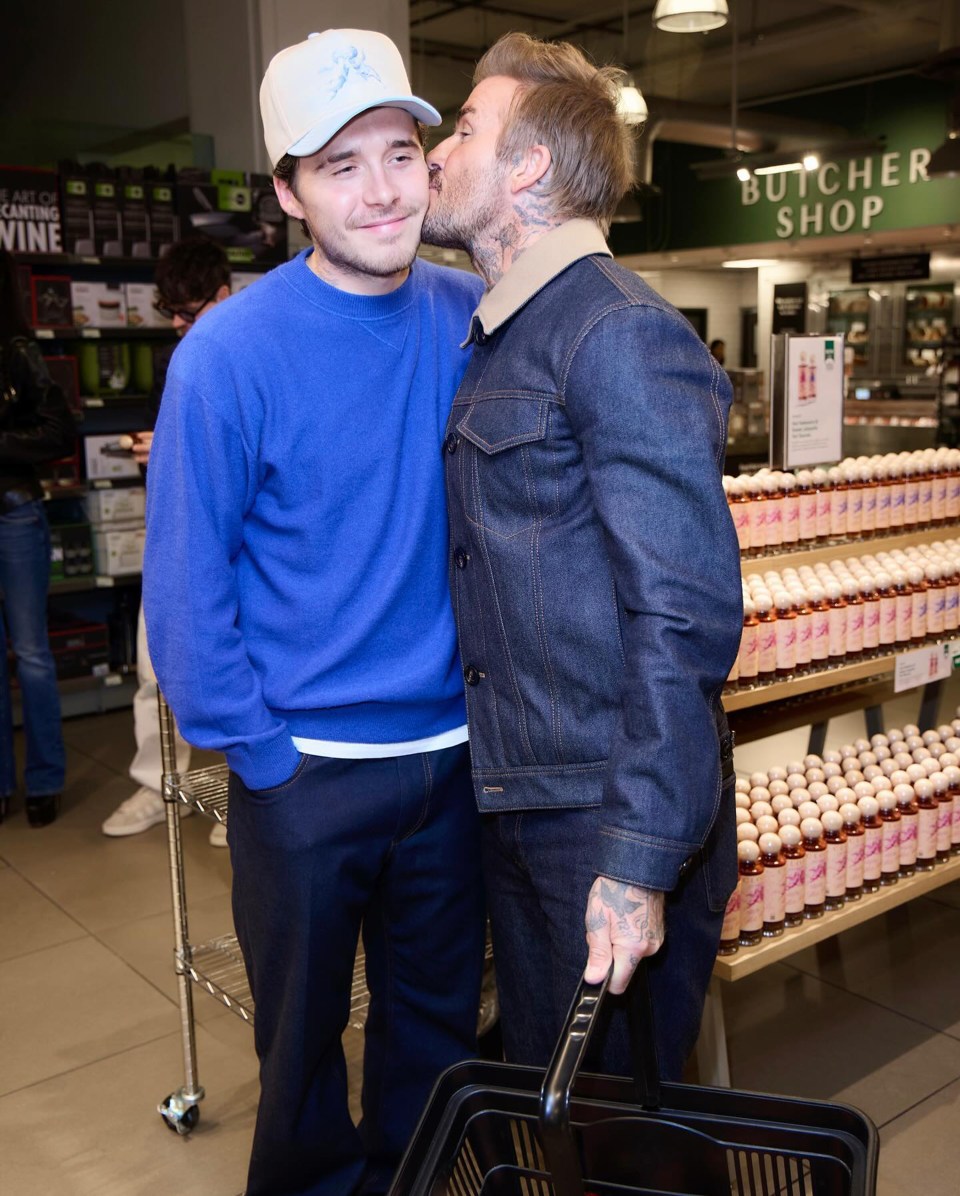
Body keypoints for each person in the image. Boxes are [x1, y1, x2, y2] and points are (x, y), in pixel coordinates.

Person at [143, 29, 486, 1196]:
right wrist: (268, 759)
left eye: (399, 151)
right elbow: (186, 594)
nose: (383, 187)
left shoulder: (475, 316)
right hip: (306, 772)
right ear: (288, 191)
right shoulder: (228, 355)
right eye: (340, 165)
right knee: (296, 1062)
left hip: (451, 759)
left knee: (436, 1041)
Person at [421, 31, 742, 1081]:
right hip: (529, 794)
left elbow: (683, 614)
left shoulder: (614, 332)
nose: (436, 153)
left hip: (599, 818)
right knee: (557, 1113)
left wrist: (639, 860)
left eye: (465, 127)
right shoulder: (510, 332)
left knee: (616, 1130)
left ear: (528, 167)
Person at [101, 237, 231, 845]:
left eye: (190, 310)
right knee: (155, 667)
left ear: (224, 295)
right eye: (171, 312)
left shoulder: (250, 347)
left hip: (242, 544)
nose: (179, 324)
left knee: (246, 664)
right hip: (173, 535)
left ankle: (249, 792)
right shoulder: (178, 357)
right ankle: (158, 784)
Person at [0, 249, 76, 826]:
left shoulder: (16, 349)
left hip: (14, 513)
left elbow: (57, 430)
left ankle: (45, 781)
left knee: (31, 654)